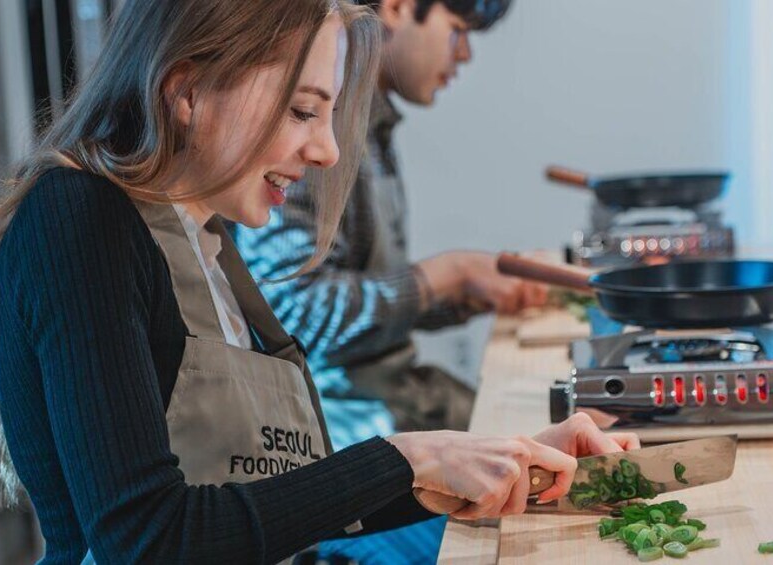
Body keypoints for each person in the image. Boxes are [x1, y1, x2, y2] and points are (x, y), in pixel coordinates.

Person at [0, 1, 637, 564]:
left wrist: (494, 456)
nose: (328, 150)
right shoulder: (80, 220)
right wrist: (405, 456)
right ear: (187, 91)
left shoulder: (206, 238)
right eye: (303, 110)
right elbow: (147, 540)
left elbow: (268, 500)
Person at [233, 1, 546, 560]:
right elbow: (287, 310)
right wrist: (436, 278)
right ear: (399, 7)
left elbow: (354, 289)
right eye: (458, 32)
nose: (466, 56)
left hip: (393, 418)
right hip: (344, 446)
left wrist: (461, 291)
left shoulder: (370, 123)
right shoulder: (316, 136)